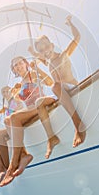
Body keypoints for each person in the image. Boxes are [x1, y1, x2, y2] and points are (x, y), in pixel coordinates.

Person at [0, 56, 60, 187]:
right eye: (15, 65)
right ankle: (24, 155)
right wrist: (13, 92)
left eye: (20, 63)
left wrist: (37, 68)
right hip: (31, 109)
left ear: (25, 63)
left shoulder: (33, 73)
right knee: (7, 120)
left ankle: (13, 163)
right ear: (13, 69)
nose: (18, 66)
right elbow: (15, 100)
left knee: (14, 118)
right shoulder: (21, 83)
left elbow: (50, 82)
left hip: (44, 102)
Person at [29, 15, 86, 148]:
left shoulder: (63, 56)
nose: (45, 51)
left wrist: (70, 23)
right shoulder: (49, 65)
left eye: (46, 47)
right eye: (41, 51)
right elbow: (51, 82)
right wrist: (35, 67)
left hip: (71, 87)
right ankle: (51, 138)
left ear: (52, 45)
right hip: (60, 91)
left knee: (55, 86)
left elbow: (77, 37)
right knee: (39, 101)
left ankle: (78, 124)